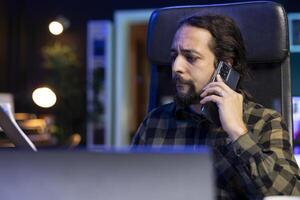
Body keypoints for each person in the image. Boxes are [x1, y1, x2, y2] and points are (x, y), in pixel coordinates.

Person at [132, 15, 300, 199]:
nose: (176, 67)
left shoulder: (266, 122)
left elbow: (289, 193)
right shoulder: (155, 122)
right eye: (174, 56)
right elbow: (127, 187)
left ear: (224, 66)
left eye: (191, 57)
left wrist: (238, 133)